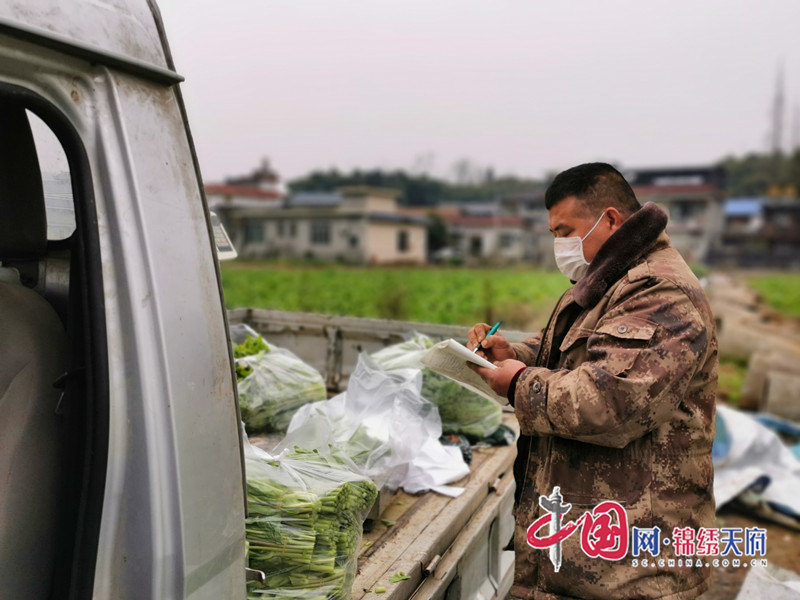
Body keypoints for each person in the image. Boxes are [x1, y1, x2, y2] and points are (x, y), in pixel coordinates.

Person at [467, 163, 717, 600]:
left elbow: (611, 403)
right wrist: (515, 355)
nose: (559, 245)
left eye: (565, 231)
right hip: (585, 554)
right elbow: (576, 353)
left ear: (611, 219)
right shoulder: (607, 280)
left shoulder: (661, 292)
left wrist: (519, 383)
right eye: (553, 234)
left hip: (635, 569)